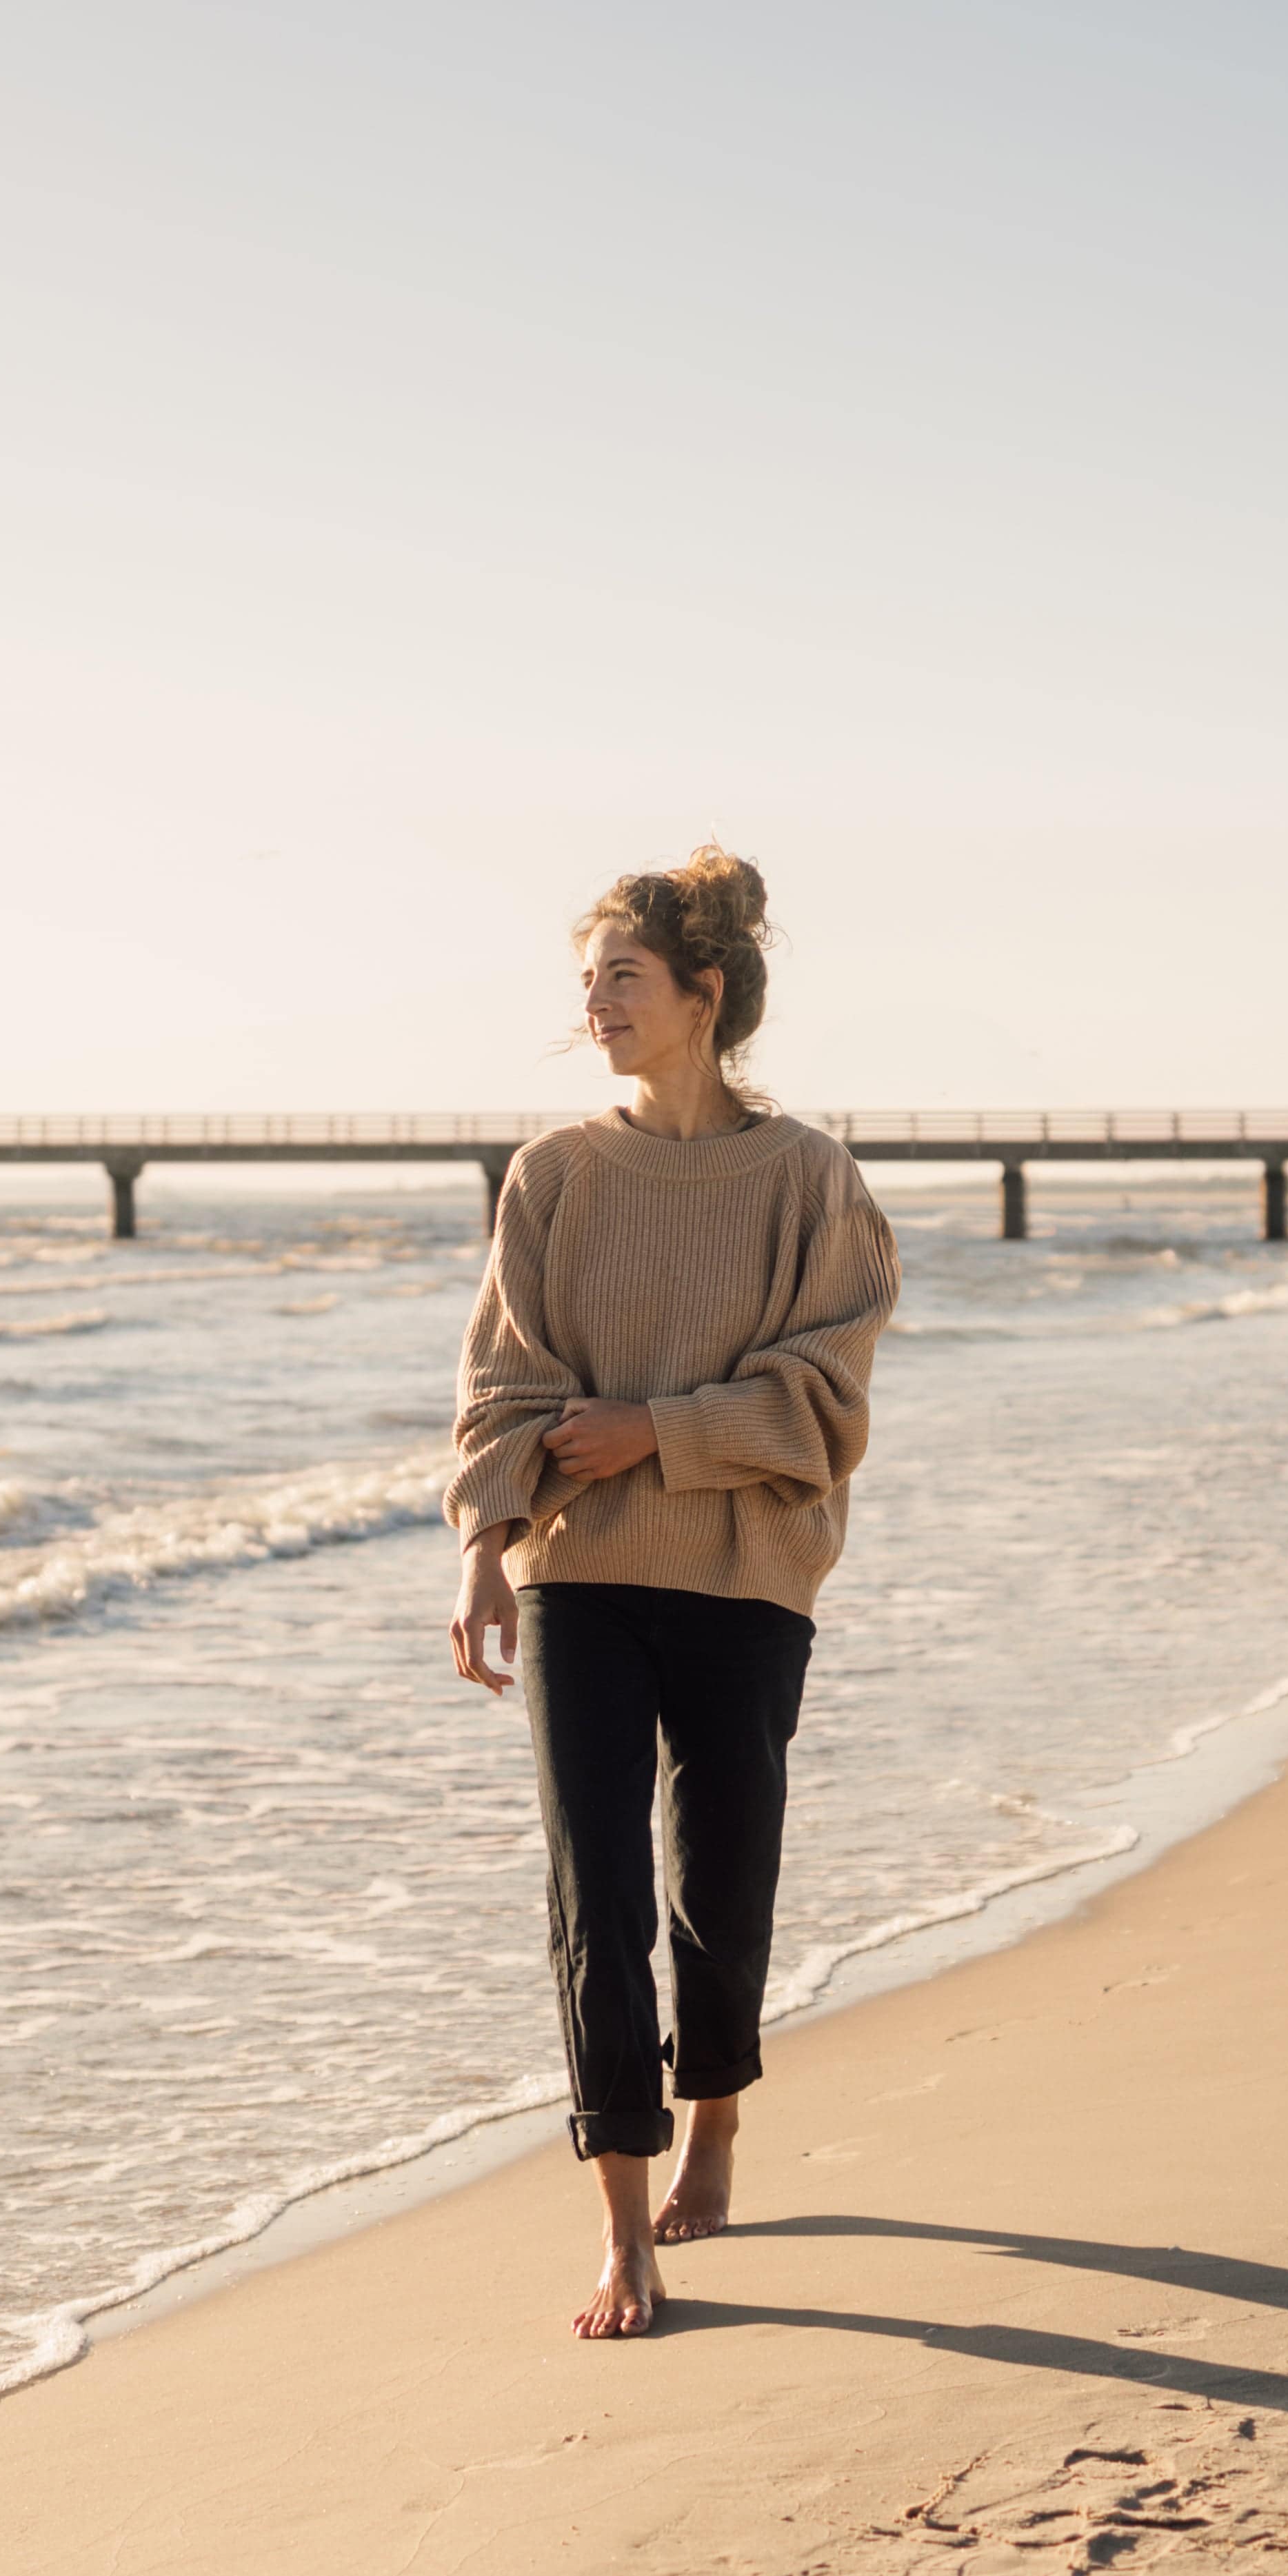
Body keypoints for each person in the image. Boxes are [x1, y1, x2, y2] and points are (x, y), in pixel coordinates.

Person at [445, 847, 898, 2340]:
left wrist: (662, 1428)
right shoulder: (554, 1177)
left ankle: (715, 2119)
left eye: (621, 978)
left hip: (747, 1574)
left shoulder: (809, 1182)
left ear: (705, 995)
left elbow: (826, 1396)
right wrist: (481, 1545)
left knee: (721, 1877)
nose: (594, 1004)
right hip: (578, 1570)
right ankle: (622, 2228)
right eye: (584, 982)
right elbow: (504, 1378)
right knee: (596, 1892)